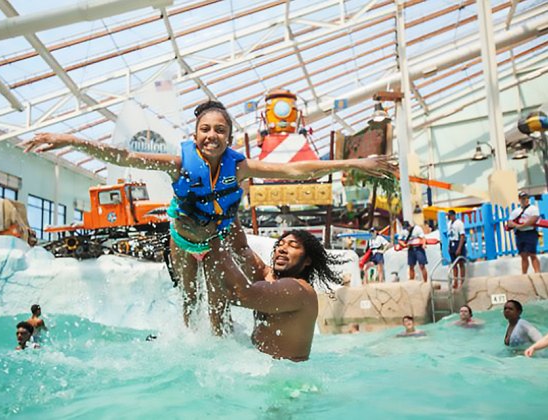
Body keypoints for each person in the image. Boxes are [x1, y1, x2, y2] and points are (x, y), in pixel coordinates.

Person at [23, 100, 394, 336]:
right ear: (195, 134)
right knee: (188, 299)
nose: (212, 135)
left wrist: (353, 162)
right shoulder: (178, 163)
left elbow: (297, 170)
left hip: (215, 240)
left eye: (220, 130)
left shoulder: (242, 166)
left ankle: (219, 348)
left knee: (218, 305)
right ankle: (190, 345)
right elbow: (123, 157)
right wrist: (69, 140)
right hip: (184, 241)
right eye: (205, 129)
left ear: (229, 137)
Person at [181, 215, 341, 361]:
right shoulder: (267, 276)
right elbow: (241, 248)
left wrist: (212, 240)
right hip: (259, 365)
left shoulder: (299, 291)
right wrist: (227, 207)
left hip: (286, 379)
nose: (282, 249)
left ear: (307, 261)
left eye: (293, 246)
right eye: (280, 244)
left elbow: (243, 294)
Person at [507, 191, 540, 274]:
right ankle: (524, 273)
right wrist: (517, 226)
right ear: (519, 199)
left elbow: (534, 219)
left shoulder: (533, 209)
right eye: (523, 198)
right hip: (520, 234)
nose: (525, 200)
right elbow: (509, 222)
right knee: (523, 255)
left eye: (526, 198)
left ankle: (537, 272)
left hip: (530, 232)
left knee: (532, 254)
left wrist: (522, 225)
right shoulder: (515, 211)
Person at [446, 210, 466, 289]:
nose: (449, 217)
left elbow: (462, 236)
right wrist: (449, 246)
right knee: (454, 264)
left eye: (450, 215)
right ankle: (455, 281)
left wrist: (459, 248)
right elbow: (449, 236)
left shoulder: (459, 223)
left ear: (453, 215)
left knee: (461, 263)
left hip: (458, 243)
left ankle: (462, 281)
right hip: (452, 243)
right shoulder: (449, 224)